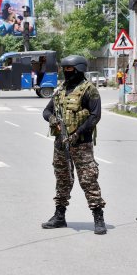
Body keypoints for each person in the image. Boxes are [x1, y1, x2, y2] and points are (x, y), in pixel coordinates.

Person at [41, 55, 107, 235]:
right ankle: (59, 216)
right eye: (65, 69)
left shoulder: (89, 90)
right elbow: (46, 111)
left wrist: (78, 132)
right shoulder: (61, 90)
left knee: (88, 179)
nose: (66, 73)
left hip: (81, 144)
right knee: (62, 179)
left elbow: (95, 116)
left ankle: (98, 216)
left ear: (78, 70)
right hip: (61, 143)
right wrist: (52, 118)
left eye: (70, 70)